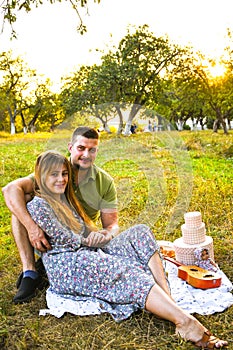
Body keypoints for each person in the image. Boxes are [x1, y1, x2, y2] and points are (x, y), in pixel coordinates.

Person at [26, 150, 227, 350]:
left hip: (87, 250)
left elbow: (86, 232)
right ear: (41, 176)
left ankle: (167, 298)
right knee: (124, 270)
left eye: (64, 173)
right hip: (67, 264)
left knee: (140, 233)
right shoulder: (39, 204)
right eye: (54, 174)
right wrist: (90, 239)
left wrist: (100, 236)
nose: (61, 179)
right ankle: (185, 323)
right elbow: (66, 239)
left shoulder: (65, 199)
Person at [2, 126, 119, 304]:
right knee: (22, 199)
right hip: (49, 234)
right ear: (70, 147)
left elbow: (112, 224)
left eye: (92, 150)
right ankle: (30, 272)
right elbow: (10, 189)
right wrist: (32, 228)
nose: (86, 154)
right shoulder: (56, 170)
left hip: (82, 234)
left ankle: (49, 264)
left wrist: (107, 233)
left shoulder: (104, 181)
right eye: (81, 148)